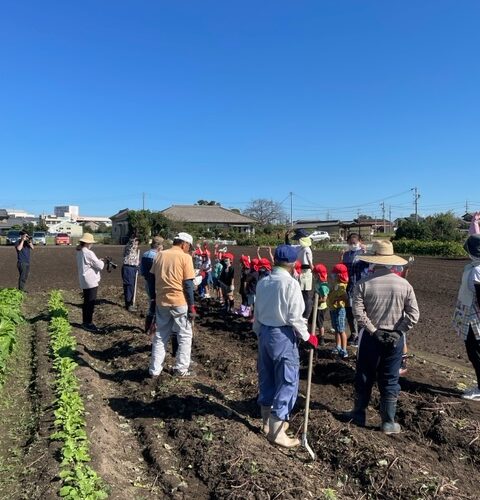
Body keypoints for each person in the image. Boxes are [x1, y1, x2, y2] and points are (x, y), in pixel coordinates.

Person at [346, 240, 419, 434]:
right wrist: (398, 331)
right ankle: (388, 421)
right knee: (390, 378)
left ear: (373, 260)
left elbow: (358, 313)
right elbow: (414, 315)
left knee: (364, 375)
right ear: (391, 261)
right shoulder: (404, 285)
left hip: (371, 338)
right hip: (395, 340)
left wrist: (373, 330)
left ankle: (359, 414)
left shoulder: (363, 284)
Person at [254, 244, 318, 448]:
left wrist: (259, 332)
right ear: (293, 263)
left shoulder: (263, 282)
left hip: (264, 332)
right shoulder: (290, 284)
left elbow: (256, 313)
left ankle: (266, 423)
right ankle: (277, 430)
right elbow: (294, 317)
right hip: (282, 334)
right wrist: (308, 337)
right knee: (287, 380)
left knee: (267, 376)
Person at [149, 232, 196, 377]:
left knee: (160, 335)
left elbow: (151, 278)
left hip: (162, 301)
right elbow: (188, 284)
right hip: (179, 301)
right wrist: (192, 306)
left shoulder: (160, 255)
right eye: (189, 246)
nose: (189, 249)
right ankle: (181, 369)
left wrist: (153, 298)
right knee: (185, 335)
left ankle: (154, 370)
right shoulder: (185, 257)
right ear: (184, 244)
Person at [453, 234, 480, 400]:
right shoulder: (473, 268)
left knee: (476, 352)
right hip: (471, 315)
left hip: (474, 318)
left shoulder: (477, 271)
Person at [76, 233, 105, 332]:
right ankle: (88, 323)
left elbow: (90, 263)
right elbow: (100, 266)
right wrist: (101, 262)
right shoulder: (89, 252)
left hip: (83, 280)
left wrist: (96, 261)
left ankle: (85, 321)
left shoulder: (79, 251)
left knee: (86, 302)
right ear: (88, 243)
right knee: (90, 303)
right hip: (91, 281)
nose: (92, 244)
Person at [341, 233, 367, 346]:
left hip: (361, 286)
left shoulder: (364, 254)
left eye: (355, 243)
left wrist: (366, 252)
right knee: (350, 312)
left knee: (360, 311)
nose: (353, 244)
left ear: (360, 242)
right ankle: (354, 333)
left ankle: (361, 334)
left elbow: (369, 267)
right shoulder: (346, 255)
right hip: (349, 286)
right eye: (351, 243)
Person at [140, 236, 164, 333]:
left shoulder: (145, 254)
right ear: (159, 246)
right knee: (157, 307)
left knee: (151, 304)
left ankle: (147, 328)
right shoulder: (158, 256)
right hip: (157, 284)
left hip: (147, 282)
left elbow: (142, 271)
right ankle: (153, 329)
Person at [327, 263, 349, 359]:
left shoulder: (341, 285)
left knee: (341, 330)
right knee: (336, 329)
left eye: (334, 274)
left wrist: (337, 299)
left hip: (339, 309)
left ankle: (344, 349)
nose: (332, 276)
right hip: (333, 308)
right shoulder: (336, 284)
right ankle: (338, 346)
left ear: (339, 275)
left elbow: (345, 297)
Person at [312, 263, 329, 346]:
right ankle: (313, 335)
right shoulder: (318, 282)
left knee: (320, 324)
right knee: (312, 322)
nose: (313, 275)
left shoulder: (323, 285)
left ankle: (322, 338)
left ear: (318, 275)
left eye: (314, 274)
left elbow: (324, 299)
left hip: (320, 308)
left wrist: (315, 301)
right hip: (316, 306)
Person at [122, 236, 140, 311]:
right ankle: (128, 305)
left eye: (137, 244)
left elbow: (134, 259)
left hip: (133, 268)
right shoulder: (128, 248)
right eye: (135, 243)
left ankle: (130, 303)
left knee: (132, 286)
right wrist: (134, 238)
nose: (136, 245)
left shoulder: (135, 251)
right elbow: (130, 244)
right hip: (128, 268)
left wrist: (137, 263)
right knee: (129, 287)